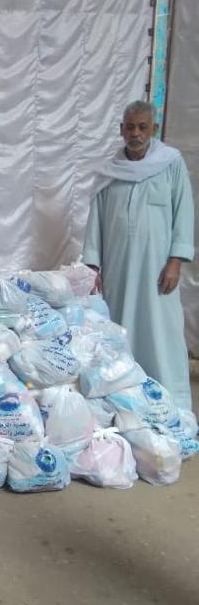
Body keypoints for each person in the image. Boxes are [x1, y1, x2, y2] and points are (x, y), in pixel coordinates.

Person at [82, 100, 195, 410]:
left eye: (143, 127)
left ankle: (172, 404)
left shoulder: (171, 164)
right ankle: (127, 399)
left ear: (154, 129)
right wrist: (93, 267)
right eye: (130, 127)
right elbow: (96, 220)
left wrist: (176, 261)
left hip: (159, 270)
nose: (136, 133)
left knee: (162, 333)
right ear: (121, 130)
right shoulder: (110, 171)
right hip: (118, 269)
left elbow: (184, 212)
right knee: (120, 331)